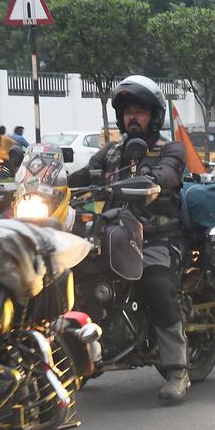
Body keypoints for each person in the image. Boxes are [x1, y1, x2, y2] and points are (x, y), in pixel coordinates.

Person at [68, 76, 191, 401]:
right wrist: (46, 181)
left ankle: (178, 368)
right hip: (111, 235)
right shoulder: (110, 153)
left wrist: (150, 177)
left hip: (158, 237)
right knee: (70, 274)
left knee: (155, 283)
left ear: (155, 115)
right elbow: (80, 178)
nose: (132, 118)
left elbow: (170, 171)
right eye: (127, 112)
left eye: (139, 111)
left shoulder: (170, 149)